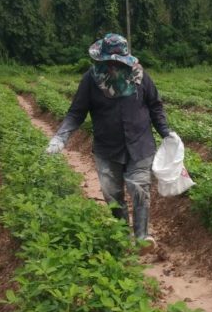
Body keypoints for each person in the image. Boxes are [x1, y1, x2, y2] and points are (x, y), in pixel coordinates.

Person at [45, 32, 172, 244]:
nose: (113, 66)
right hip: (107, 148)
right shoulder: (91, 80)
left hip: (140, 144)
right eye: (108, 62)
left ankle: (141, 238)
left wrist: (167, 134)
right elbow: (76, 113)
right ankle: (122, 238)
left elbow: (155, 106)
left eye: (117, 62)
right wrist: (60, 138)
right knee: (112, 196)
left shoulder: (140, 77)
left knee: (140, 188)